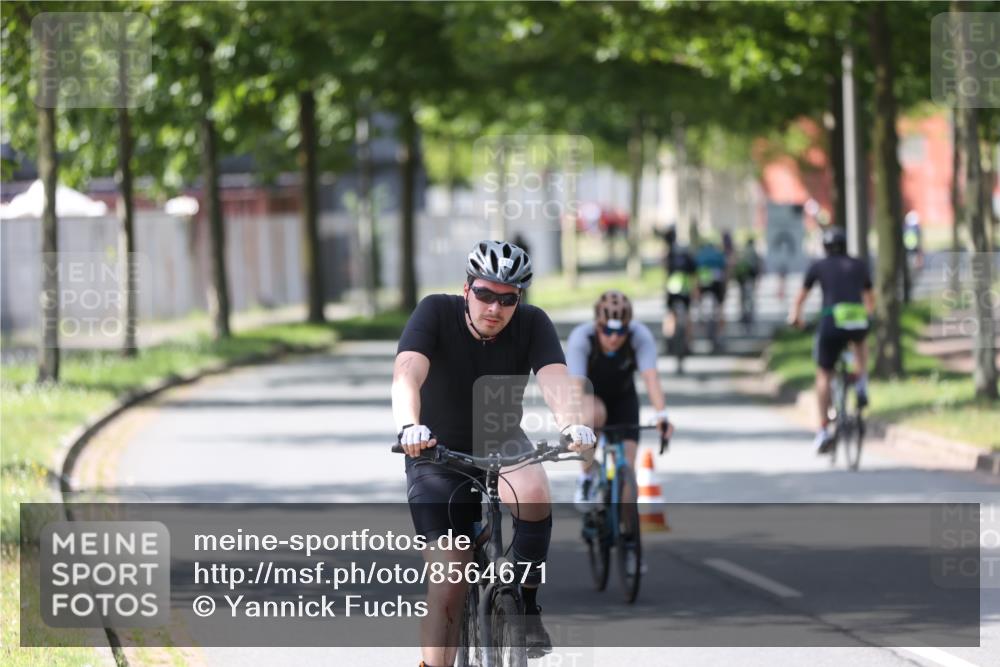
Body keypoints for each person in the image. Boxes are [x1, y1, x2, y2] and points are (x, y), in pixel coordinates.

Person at [392, 239, 597, 667]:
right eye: (485, 294)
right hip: (435, 450)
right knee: (449, 580)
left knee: (535, 492)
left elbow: (555, 378)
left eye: (508, 299)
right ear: (467, 289)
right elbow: (407, 372)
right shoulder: (435, 312)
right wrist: (410, 426)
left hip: (501, 439)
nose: (495, 308)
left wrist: (570, 423)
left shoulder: (532, 323)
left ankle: (523, 603)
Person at [566, 291, 673, 512]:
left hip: (624, 400)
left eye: (620, 331)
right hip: (590, 399)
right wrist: (575, 426)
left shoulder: (639, 336)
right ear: (597, 325)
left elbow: (651, 378)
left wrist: (662, 415)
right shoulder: (582, 338)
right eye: (607, 330)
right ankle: (586, 476)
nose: (614, 337)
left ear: (628, 327)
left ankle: (626, 535)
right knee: (592, 414)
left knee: (627, 467)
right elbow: (575, 389)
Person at [787, 227, 875, 453]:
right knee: (860, 341)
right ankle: (862, 382)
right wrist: (868, 317)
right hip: (856, 318)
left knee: (824, 374)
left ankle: (823, 430)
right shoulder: (859, 265)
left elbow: (801, 298)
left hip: (830, 321)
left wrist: (796, 318)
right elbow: (870, 301)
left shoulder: (818, 266)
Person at [661, 225, 699, 359]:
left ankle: (668, 340)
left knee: (670, 315)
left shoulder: (668, 253)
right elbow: (694, 275)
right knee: (688, 316)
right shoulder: (687, 254)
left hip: (672, 288)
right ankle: (688, 342)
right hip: (685, 288)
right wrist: (695, 291)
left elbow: (665, 270)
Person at [694, 235, 729, 347]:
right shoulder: (719, 254)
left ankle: (701, 318)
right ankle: (721, 333)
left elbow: (695, 271)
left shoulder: (700, 254)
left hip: (704, 281)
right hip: (717, 281)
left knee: (699, 302)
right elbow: (725, 269)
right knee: (720, 308)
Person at [732, 236, 762, 330]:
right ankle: (751, 313)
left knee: (741, 295)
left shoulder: (742, 251)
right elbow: (759, 266)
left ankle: (741, 314)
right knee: (751, 295)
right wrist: (758, 278)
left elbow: (735, 264)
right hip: (751, 276)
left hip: (741, 277)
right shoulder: (754, 252)